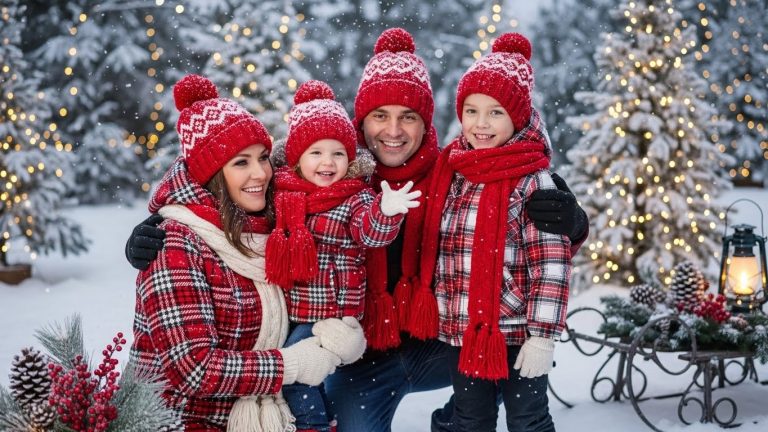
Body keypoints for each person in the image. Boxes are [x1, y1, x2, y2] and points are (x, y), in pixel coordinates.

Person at [125, 29, 588, 432]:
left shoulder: (459, 171)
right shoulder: (330, 173)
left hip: (435, 343)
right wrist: (165, 218)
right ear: (359, 121)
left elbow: (516, 190)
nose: (393, 130)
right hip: (361, 352)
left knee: (500, 368)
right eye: (379, 116)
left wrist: (572, 221)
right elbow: (238, 182)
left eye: (408, 116)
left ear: (426, 124)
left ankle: (457, 421)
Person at [129, 74, 365, 431]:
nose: (261, 173)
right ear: (212, 176)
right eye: (241, 163)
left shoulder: (273, 222)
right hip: (183, 421)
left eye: (263, 157)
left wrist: (335, 332)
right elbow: (194, 369)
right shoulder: (176, 243)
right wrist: (291, 364)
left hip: (269, 412)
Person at [413, 32, 569, 431]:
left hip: (518, 329)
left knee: (527, 418)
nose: (481, 124)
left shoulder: (533, 180)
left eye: (496, 112)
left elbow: (551, 266)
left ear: (517, 117)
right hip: (462, 329)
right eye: (471, 110)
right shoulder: (454, 170)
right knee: (470, 419)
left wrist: (542, 336)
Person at [264, 80, 421, 432]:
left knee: (294, 375)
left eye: (337, 152)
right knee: (307, 379)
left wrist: (387, 212)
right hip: (292, 311)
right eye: (316, 152)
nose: (328, 162)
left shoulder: (354, 199)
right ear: (297, 158)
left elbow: (370, 232)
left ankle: (313, 426)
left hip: (331, 317)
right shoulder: (284, 195)